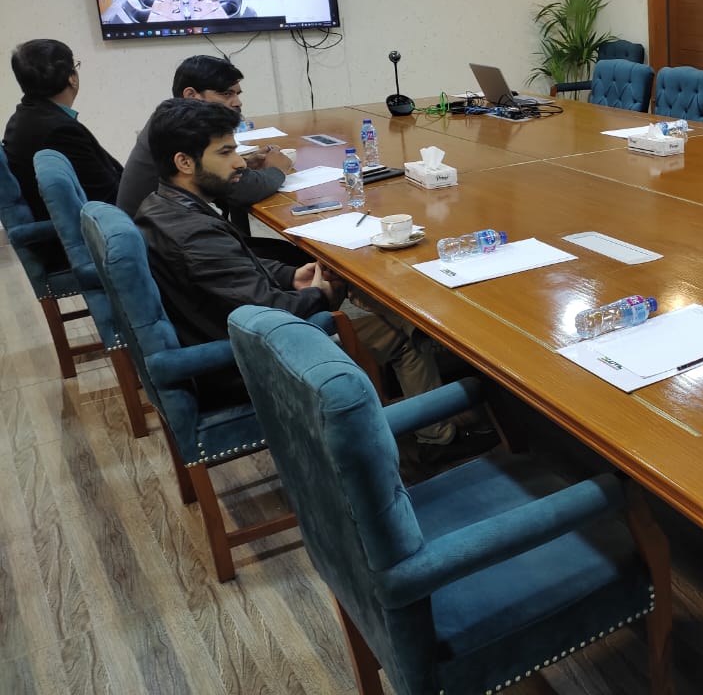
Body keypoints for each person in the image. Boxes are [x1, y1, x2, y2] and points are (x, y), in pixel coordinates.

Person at [134, 98, 490, 467]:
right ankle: (440, 435)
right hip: (247, 362)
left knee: (376, 305)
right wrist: (322, 295)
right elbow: (275, 315)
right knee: (402, 335)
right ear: (184, 162)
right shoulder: (193, 236)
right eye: (225, 152)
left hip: (223, 332)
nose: (239, 162)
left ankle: (431, 371)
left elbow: (235, 268)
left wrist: (290, 274)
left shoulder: (163, 207)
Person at [116, 54, 291, 221]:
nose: (238, 102)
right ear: (191, 95)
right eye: (226, 94)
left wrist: (245, 165)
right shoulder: (182, 129)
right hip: (164, 237)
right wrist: (277, 169)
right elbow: (245, 190)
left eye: (237, 94)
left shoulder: (171, 118)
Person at [3, 38, 122, 220]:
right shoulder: (60, 131)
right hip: (99, 225)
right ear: (71, 78)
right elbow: (107, 194)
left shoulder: (21, 117)